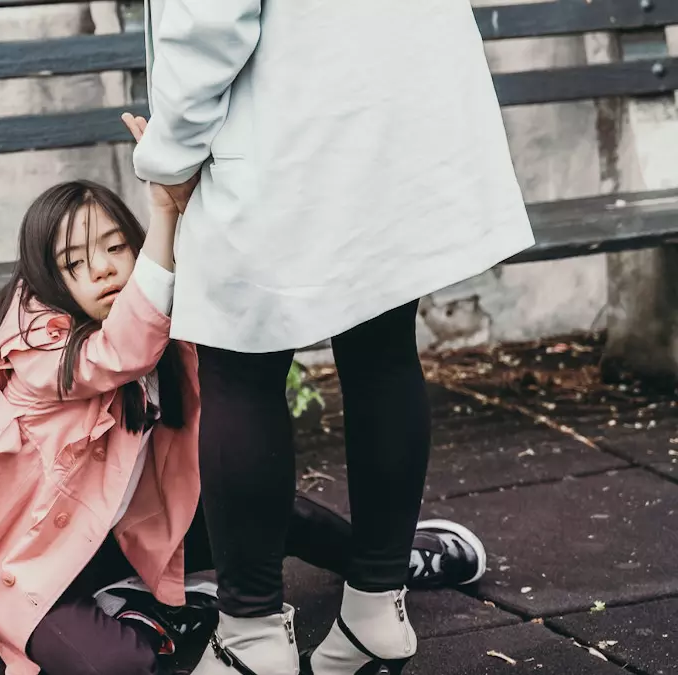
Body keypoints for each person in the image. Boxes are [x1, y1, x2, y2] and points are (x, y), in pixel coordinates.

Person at [0, 157, 488, 675]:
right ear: (47, 279)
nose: (101, 268)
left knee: (270, 514)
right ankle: (147, 611)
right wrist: (165, 216)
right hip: (36, 567)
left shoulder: (156, 322)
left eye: (115, 247)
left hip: (121, 536)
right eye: (74, 261)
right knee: (122, 666)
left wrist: (193, 188)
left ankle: (390, 562)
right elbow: (119, 353)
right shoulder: (38, 349)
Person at [128, 1, 536, 674]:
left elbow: (212, 18)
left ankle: (251, 637)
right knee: (380, 347)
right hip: (386, 103)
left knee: (240, 362)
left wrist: (169, 154)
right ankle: (377, 608)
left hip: (282, 113)